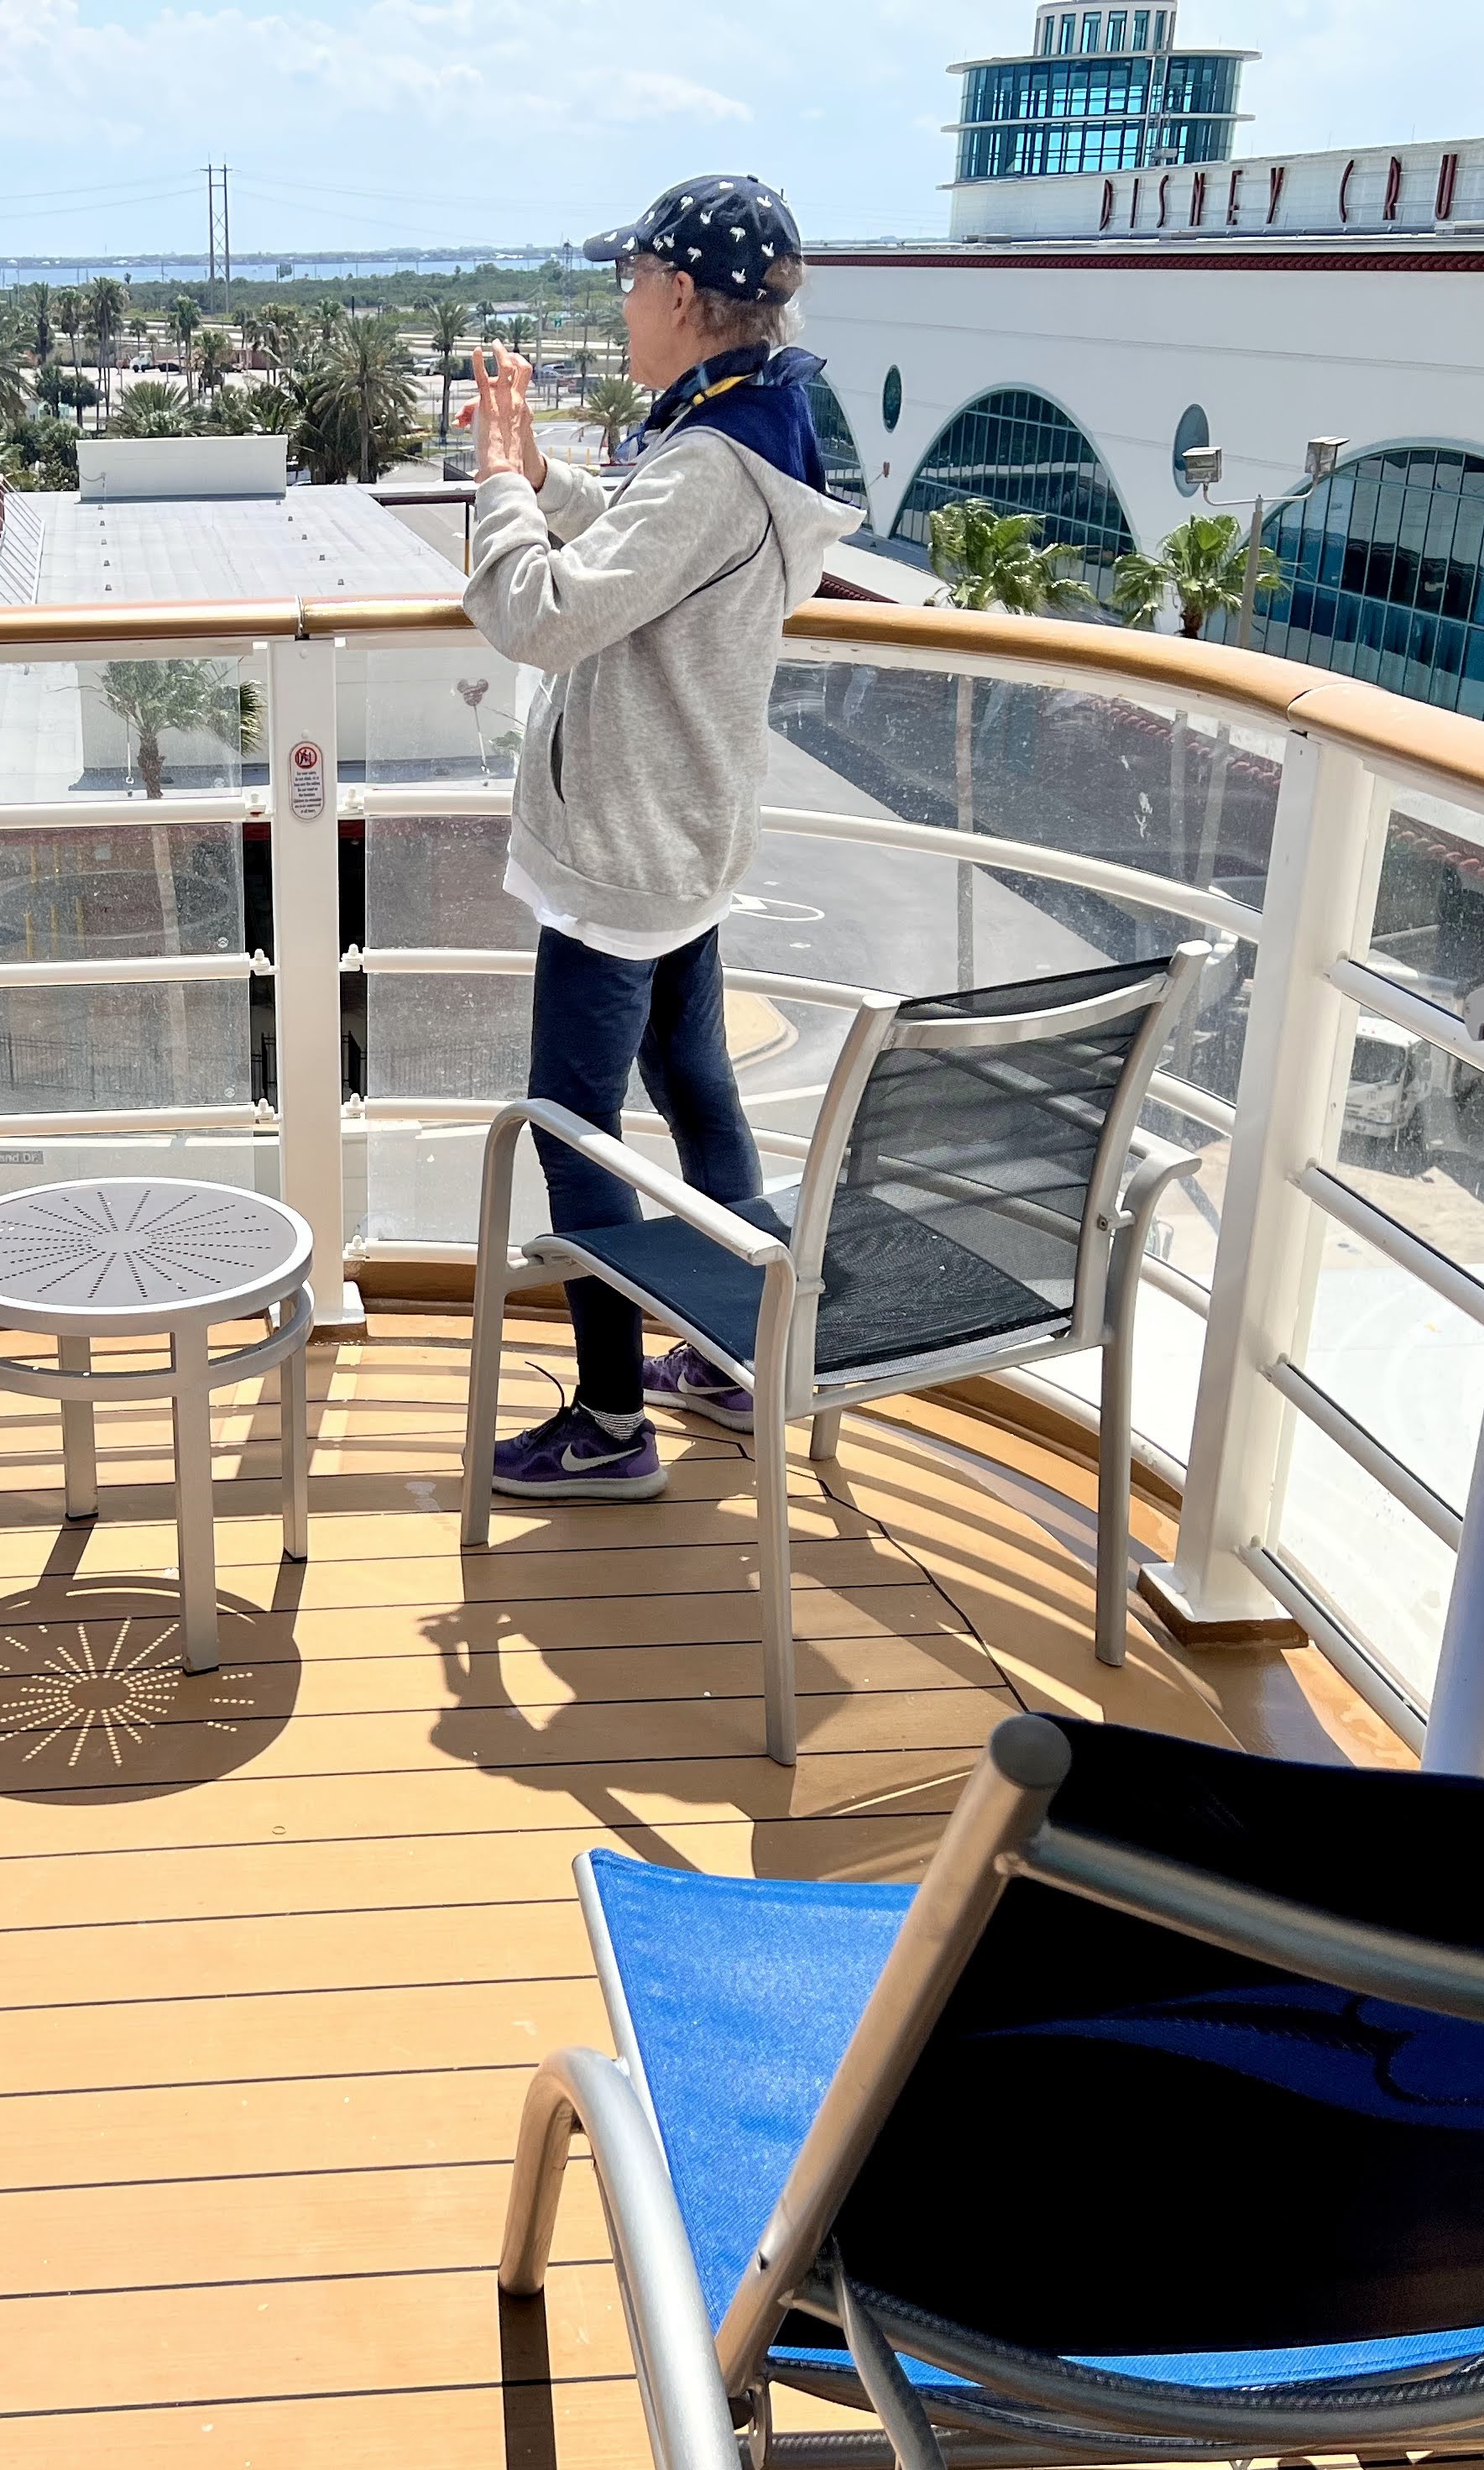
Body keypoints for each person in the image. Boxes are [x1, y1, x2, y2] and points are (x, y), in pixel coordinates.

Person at [462, 176, 864, 1500]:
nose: (623, 302)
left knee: (574, 1130)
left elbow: (539, 617)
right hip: (684, 840)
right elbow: (654, 552)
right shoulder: (755, 428)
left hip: (622, 862)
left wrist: (495, 489)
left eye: (631, 280)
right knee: (695, 1086)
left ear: (683, 295)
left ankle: (611, 1421)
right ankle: (740, 1358)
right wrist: (546, 480)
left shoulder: (707, 459)